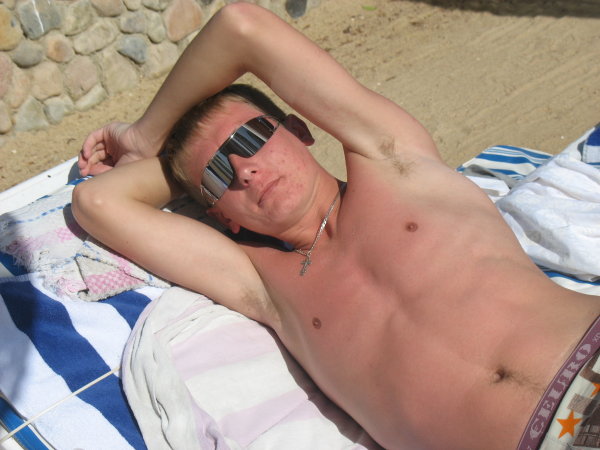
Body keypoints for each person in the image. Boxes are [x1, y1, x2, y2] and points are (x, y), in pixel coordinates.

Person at [72, 3, 600, 449]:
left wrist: (145, 136)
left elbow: (240, 26)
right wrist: (179, 165)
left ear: (299, 129)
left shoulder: (395, 164)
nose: (244, 169)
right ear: (219, 216)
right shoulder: (262, 286)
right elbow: (97, 201)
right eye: (218, 174)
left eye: (251, 138)